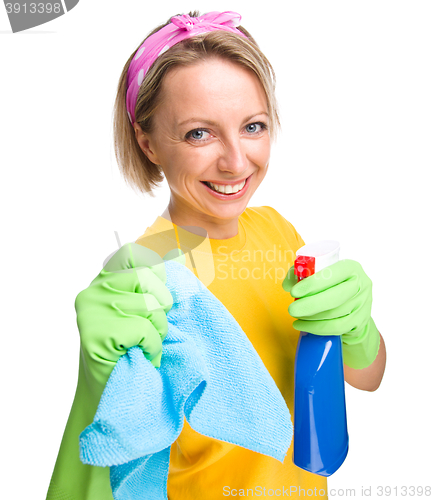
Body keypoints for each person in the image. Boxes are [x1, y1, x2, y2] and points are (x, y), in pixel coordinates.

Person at [46, 10, 387, 500]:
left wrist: (358, 330)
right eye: (198, 134)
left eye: (253, 126)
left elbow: (366, 378)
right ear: (148, 143)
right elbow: (115, 468)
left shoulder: (277, 230)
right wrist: (93, 386)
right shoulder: (144, 278)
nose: (235, 161)